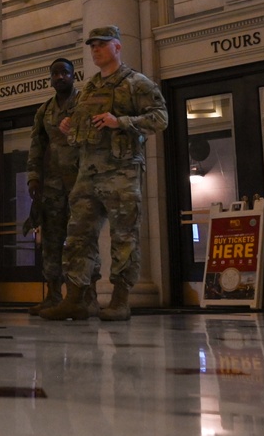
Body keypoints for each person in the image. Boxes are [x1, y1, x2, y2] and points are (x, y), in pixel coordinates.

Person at [41, 26, 168, 322]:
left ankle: (121, 300)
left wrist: (120, 121)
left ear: (117, 47)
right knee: (78, 236)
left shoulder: (136, 83)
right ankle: (79, 299)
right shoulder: (89, 89)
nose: (95, 50)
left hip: (121, 172)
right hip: (88, 173)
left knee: (124, 236)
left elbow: (160, 119)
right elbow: (83, 127)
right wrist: (69, 126)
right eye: (92, 46)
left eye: (101, 45)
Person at [24, 58, 101, 315]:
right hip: (52, 186)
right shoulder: (44, 110)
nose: (60, 77)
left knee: (83, 239)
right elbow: (37, 146)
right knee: (52, 241)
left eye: (64, 73)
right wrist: (33, 177)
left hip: (81, 181)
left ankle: (88, 296)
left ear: (73, 75)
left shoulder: (84, 103)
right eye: (55, 73)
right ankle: (53, 295)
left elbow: (97, 137)